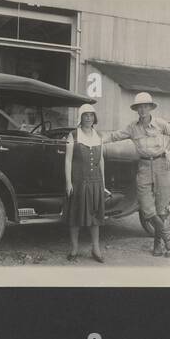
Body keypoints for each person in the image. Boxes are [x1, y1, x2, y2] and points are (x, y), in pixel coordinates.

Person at [104, 92, 170, 256]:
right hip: (144, 167)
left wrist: (166, 150)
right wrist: (95, 139)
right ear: (136, 110)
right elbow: (115, 136)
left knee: (161, 208)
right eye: (139, 107)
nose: (143, 110)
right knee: (147, 209)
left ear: (151, 108)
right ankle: (168, 239)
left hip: (162, 166)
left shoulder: (160, 124)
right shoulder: (132, 127)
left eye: (145, 106)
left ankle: (157, 246)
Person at [64, 103, 106, 262]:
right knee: (75, 216)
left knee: (95, 216)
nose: (88, 118)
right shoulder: (73, 135)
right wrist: (69, 182)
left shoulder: (99, 136)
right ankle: (74, 249)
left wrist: (103, 183)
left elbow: (101, 160)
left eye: (91, 115)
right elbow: (67, 161)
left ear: (94, 118)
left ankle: (96, 249)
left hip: (95, 182)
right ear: (80, 117)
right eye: (85, 115)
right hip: (78, 181)